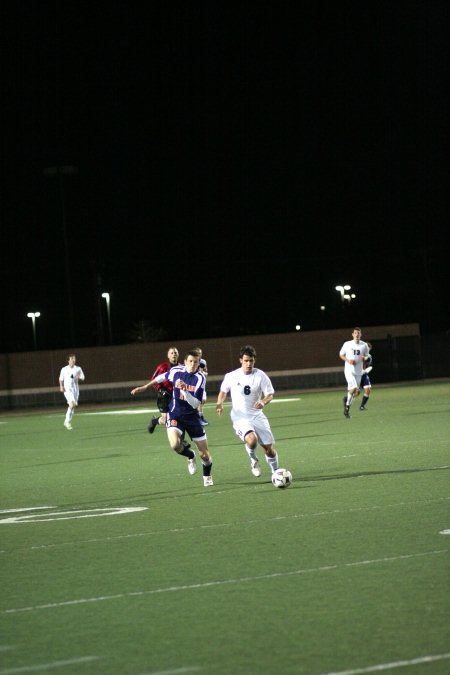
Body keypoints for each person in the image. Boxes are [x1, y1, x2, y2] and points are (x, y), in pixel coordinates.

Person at [131, 350, 214, 487]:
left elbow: (195, 404)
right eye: (190, 361)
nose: (193, 364)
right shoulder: (176, 371)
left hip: (192, 417)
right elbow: (162, 377)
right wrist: (145, 387)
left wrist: (184, 390)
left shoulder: (200, 378)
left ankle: (207, 475)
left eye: (196, 362)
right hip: (175, 414)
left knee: (205, 455)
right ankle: (190, 455)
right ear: (185, 362)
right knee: (175, 445)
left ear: (199, 363)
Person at [216, 344, 280, 478]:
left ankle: (276, 473)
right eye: (246, 361)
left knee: (269, 450)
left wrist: (263, 401)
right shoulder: (232, 376)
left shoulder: (260, 375)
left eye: (251, 361)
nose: (249, 363)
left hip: (257, 416)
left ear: (254, 360)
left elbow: (270, 394)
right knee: (252, 440)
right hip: (240, 418)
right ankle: (254, 460)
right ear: (240, 360)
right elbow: (223, 391)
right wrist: (219, 403)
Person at [131, 347, 180, 434]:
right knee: (166, 420)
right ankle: (154, 421)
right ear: (168, 356)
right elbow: (154, 380)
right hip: (164, 397)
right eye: (172, 353)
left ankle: (179, 439)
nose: (174, 354)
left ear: (178, 355)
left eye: (175, 353)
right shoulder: (162, 367)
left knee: (178, 418)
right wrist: (160, 390)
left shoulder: (181, 367)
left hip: (175, 397)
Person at [339, 327, 370, 418]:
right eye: (355, 333)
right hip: (349, 371)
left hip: (358, 372)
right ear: (352, 334)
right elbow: (341, 354)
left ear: (361, 335)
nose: (357, 335)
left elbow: (367, 356)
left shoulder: (364, 345)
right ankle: (347, 406)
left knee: (355, 392)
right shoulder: (347, 344)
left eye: (359, 333)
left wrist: (364, 358)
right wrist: (348, 360)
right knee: (355, 388)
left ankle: (346, 405)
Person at [59, 353, 85, 430]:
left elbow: (83, 377)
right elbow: (61, 379)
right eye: (72, 359)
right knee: (72, 404)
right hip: (67, 389)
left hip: (75, 389)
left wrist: (78, 377)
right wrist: (61, 386)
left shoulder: (78, 368)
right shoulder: (64, 369)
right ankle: (66, 422)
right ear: (68, 361)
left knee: (73, 406)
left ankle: (68, 422)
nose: (74, 360)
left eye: (74, 359)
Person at [192, 347, 208, 426]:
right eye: (197, 353)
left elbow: (205, 371)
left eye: (200, 353)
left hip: (202, 382)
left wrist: (202, 372)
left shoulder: (203, 362)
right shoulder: (192, 361)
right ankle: (200, 417)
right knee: (200, 400)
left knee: (203, 400)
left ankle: (197, 416)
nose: (199, 354)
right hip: (195, 383)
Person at [359, 342, 373, 410]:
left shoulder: (369, 356)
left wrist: (366, 370)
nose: (367, 350)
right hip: (357, 375)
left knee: (368, 390)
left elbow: (369, 364)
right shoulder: (358, 354)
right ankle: (346, 399)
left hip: (364, 375)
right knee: (356, 393)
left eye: (369, 349)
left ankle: (362, 406)